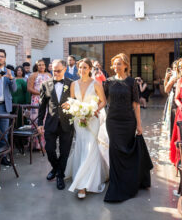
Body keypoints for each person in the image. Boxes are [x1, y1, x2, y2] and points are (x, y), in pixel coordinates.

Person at [104, 53, 153, 202]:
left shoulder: (132, 82)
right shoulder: (108, 82)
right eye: (115, 64)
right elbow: (103, 100)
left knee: (126, 151)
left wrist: (139, 124)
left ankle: (128, 180)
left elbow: (136, 104)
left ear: (126, 65)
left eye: (119, 63)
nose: (116, 66)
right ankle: (115, 182)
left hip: (127, 121)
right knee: (114, 150)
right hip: (112, 121)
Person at [64, 58, 108, 199]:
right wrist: (72, 108)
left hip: (92, 119)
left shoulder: (96, 84)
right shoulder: (73, 84)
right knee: (81, 147)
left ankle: (83, 185)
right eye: (80, 67)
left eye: (85, 67)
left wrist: (93, 111)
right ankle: (81, 176)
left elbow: (103, 101)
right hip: (78, 119)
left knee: (90, 148)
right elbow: (72, 101)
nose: (82, 70)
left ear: (90, 69)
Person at [37, 59, 73, 190]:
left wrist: (71, 104)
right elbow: (42, 106)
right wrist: (40, 123)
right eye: (54, 70)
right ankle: (56, 168)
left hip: (66, 123)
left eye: (58, 70)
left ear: (64, 69)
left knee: (65, 152)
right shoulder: (45, 84)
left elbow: (76, 101)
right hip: (50, 123)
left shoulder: (71, 84)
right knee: (50, 149)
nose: (56, 73)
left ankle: (60, 176)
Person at [27, 59, 51, 150]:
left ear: (45, 66)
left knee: (46, 121)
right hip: (36, 99)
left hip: (48, 100)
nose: (41, 66)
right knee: (36, 121)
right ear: (36, 66)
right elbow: (29, 88)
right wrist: (41, 93)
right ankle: (35, 144)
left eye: (43, 65)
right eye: (39, 65)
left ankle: (44, 144)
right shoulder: (33, 75)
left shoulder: (49, 75)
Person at [170, 58, 182, 166]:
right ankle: (180, 160)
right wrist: (181, 106)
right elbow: (177, 98)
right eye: (180, 67)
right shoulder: (179, 81)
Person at [163, 61, 178, 138]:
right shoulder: (173, 77)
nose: (175, 70)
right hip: (173, 101)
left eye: (177, 68)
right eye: (174, 68)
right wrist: (166, 78)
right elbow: (166, 89)